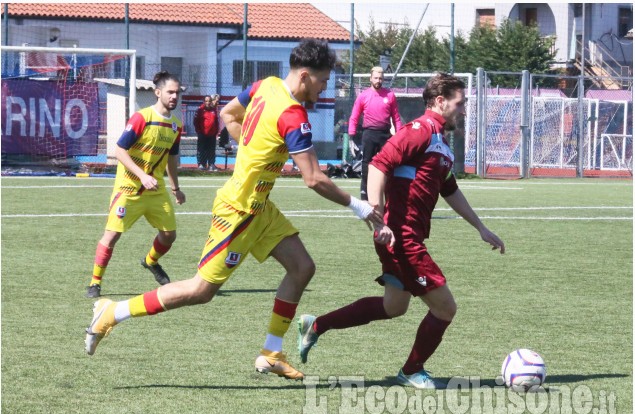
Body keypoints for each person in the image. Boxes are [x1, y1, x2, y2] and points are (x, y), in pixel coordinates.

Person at [84, 39, 384, 381]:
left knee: (302, 268)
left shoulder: (266, 84)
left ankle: (271, 353)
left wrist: (252, 151)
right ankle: (112, 311)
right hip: (238, 211)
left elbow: (228, 113)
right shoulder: (293, 115)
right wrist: (360, 207)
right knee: (201, 290)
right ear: (304, 76)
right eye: (322, 80)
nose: (325, 86)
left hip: (259, 207)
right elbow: (314, 178)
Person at [298, 73, 506, 389]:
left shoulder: (441, 143)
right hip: (400, 236)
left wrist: (480, 227)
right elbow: (379, 165)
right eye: (460, 104)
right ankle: (412, 370)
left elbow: (450, 189)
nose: (463, 110)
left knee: (393, 306)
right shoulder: (419, 132)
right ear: (440, 101)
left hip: (404, 235)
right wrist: (378, 216)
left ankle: (316, 326)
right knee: (445, 307)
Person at [85, 71, 186, 299]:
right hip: (129, 188)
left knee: (169, 235)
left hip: (156, 189)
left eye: (177, 93)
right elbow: (120, 151)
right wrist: (141, 176)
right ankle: (94, 282)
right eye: (170, 92)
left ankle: (150, 261)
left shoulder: (176, 126)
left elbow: (171, 158)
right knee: (111, 236)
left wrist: (176, 188)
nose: (174, 96)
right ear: (157, 93)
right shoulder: (142, 118)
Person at [348, 66, 403, 200]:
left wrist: (400, 135)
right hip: (369, 135)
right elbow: (354, 116)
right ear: (371, 78)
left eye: (380, 78)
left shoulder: (390, 95)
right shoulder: (363, 96)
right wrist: (351, 136)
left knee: (390, 164)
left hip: (385, 135)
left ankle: (390, 194)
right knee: (366, 163)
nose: (378, 80)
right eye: (376, 78)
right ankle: (364, 193)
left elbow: (396, 117)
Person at [193, 93, 220, 171]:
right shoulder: (200, 110)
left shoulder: (213, 110)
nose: (208, 102)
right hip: (202, 134)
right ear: (204, 102)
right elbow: (195, 122)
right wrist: (199, 131)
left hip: (212, 134)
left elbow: (216, 122)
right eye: (206, 101)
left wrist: (216, 131)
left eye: (209, 101)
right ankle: (202, 164)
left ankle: (211, 164)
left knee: (211, 150)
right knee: (201, 149)